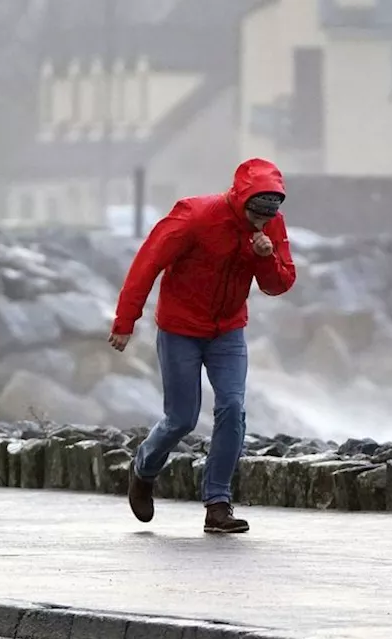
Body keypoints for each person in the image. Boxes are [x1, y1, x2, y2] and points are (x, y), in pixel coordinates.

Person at [108, 157, 297, 534]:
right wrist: (126, 320)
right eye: (256, 213)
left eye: (269, 213)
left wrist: (265, 257)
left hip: (228, 330)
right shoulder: (195, 216)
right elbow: (148, 262)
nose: (262, 221)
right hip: (180, 328)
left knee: (233, 407)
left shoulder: (271, 225)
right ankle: (143, 469)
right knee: (182, 418)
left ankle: (218, 504)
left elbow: (279, 284)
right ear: (242, 199)